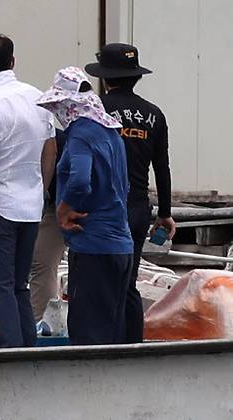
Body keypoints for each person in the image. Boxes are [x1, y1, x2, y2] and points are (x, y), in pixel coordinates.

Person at [0, 32, 56, 348]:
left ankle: (9, 353)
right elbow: (50, 149)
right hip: (31, 205)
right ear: (13, 61)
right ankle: (26, 352)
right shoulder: (38, 97)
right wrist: (40, 189)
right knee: (19, 285)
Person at [85, 43, 175, 343]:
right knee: (128, 282)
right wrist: (165, 213)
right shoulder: (154, 114)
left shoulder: (96, 110)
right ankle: (133, 345)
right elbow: (161, 167)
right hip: (138, 207)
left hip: (103, 208)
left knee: (99, 281)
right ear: (136, 76)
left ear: (105, 77)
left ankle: (103, 346)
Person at [37, 66, 133, 345]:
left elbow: (80, 179)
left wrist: (64, 208)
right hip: (120, 244)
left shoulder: (81, 133)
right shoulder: (111, 132)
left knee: (88, 332)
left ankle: (89, 388)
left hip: (93, 245)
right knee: (112, 330)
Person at [29, 129, 66, 323]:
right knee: (42, 264)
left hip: (63, 204)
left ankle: (41, 321)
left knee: (42, 264)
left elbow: (80, 178)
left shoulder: (67, 138)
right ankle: (42, 321)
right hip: (55, 203)